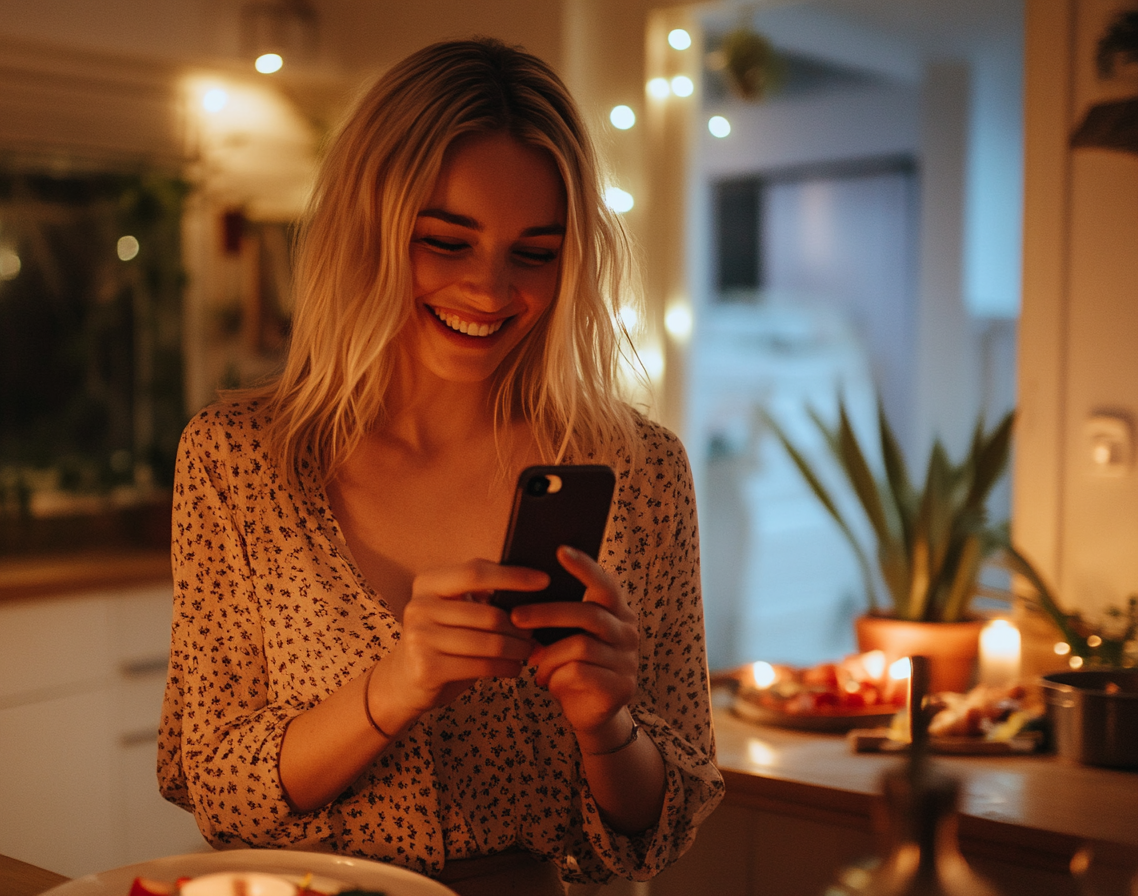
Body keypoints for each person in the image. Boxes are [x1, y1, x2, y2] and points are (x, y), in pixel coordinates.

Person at [157, 36, 724, 893]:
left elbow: (664, 825)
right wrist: (397, 684)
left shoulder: (639, 472)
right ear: (368, 229)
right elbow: (218, 788)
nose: (491, 292)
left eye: (533, 253)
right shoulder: (240, 460)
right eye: (445, 242)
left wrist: (606, 726)